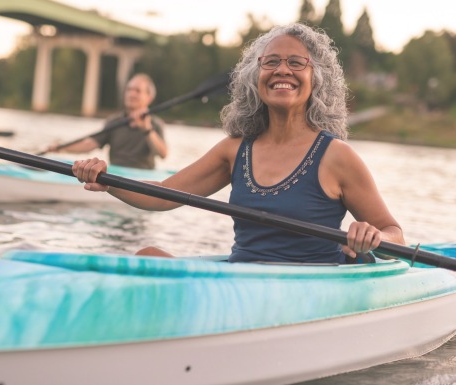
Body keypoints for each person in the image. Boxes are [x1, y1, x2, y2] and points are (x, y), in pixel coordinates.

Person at [72, 23, 405, 263]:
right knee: (147, 257)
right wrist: (105, 179)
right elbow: (160, 195)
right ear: (254, 77)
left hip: (307, 288)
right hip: (241, 283)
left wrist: (374, 237)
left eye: (296, 62)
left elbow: (394, 232)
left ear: (316, 78)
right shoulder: (235, 149)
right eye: (271, 61)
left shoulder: (337, 156)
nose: (282, 70)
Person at [49, 73, 168, 170]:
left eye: (137, 91)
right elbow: (90, 144)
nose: (132, 94)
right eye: (129, 89)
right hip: (116, 174)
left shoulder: (155, 124)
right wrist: (62, 147)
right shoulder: (114, 121)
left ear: (149, 97)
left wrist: (146, 129)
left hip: (143, 177)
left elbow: (163, 154)